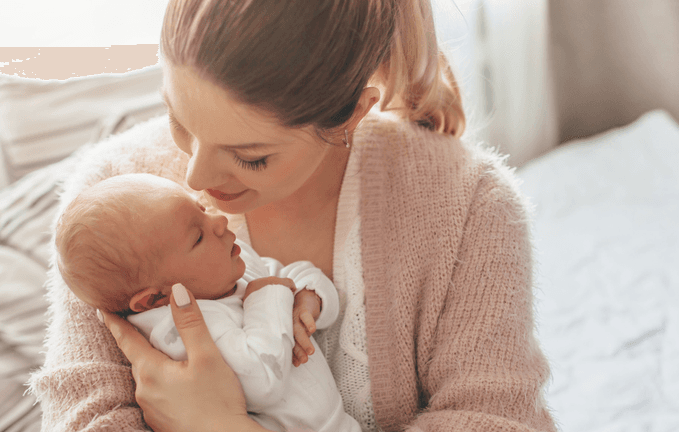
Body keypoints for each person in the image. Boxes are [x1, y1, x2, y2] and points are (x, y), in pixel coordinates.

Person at [29, 0, 558, 431]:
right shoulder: (111, 194)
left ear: (353, 112)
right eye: (179, 118)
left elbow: (497, 420)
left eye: (250, 156)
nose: (194, 177)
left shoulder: (469, 206)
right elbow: (85, 416)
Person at [54, 173, 360, 432]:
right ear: (155, 298)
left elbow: (288, 274)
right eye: (197, 237)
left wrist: (309, 297)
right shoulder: (181, 332)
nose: (218, 220)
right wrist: (267, 296)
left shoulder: (228, 268)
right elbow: (262, 382)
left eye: (201, 208)